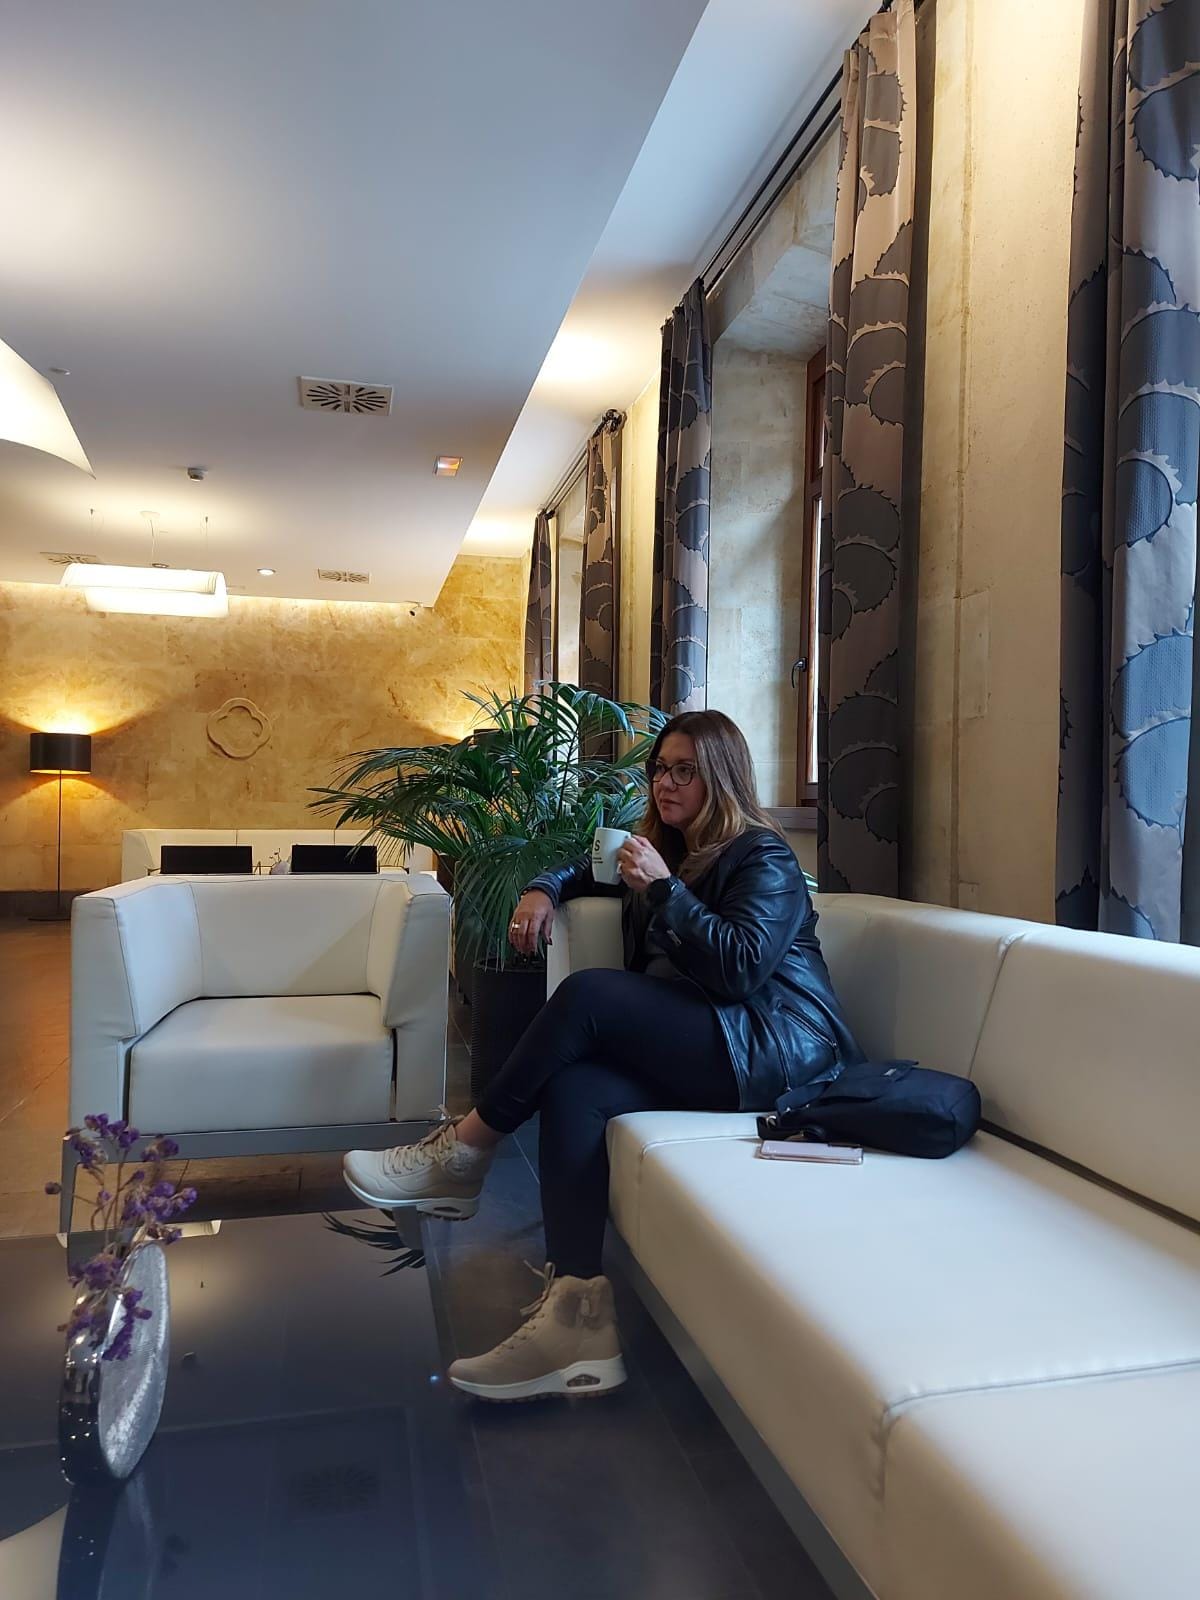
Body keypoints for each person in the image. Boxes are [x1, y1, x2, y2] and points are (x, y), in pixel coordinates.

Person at [343, 710, 862, 1402]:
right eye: (660, 768)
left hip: (775, 1048)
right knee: (577, 1087)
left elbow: (741, 968)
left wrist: (663, 889)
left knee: (588, 995)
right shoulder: (668, 850)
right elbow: (585, 870)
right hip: (715, 1046)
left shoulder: (762, 856)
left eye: (685, 771)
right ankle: (577, 1317)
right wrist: (545, 886)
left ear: (721, 777)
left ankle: (462, 1153)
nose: (665, 783)